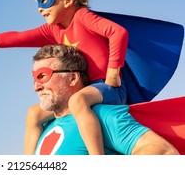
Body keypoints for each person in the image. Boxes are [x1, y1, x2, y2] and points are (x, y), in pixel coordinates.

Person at [0, 0, 128, 154]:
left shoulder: (82, 17)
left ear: (68, 0)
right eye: (37, 3)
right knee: (34, 114)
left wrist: (113, 73)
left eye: (44, 0)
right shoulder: (53, 30)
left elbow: (117, 32)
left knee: (77, 101)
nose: (40, 8)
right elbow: (19, 37)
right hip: (82, 90)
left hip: (107, 88)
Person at [31, 44, 179, 155]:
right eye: (34, 78)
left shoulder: (102, 115)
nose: (36, 87)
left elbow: (164, 152)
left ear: (72, 78)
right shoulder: (44, 128)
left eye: (43, 76)